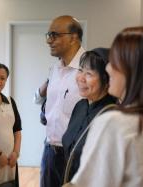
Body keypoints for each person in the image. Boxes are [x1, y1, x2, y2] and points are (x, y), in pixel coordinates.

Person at [63, 26, 143, 187]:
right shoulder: (80, 106)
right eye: (80, 70)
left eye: (115, 62)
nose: (108, 68)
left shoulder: (113, 119)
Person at [34, 15, 85, 187]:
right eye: (48, 35)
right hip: (49, 151)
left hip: (76, 154)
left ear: (73, 37)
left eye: (54, 35)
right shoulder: (55, 69)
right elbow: (45, 102)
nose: (49, 40)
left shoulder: (90, 68)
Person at [61, 48, 117, 182]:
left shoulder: (112, 115)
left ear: (106, 80)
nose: (80, 78)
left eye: (89, 74)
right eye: (80, 70)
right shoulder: (80, 106)